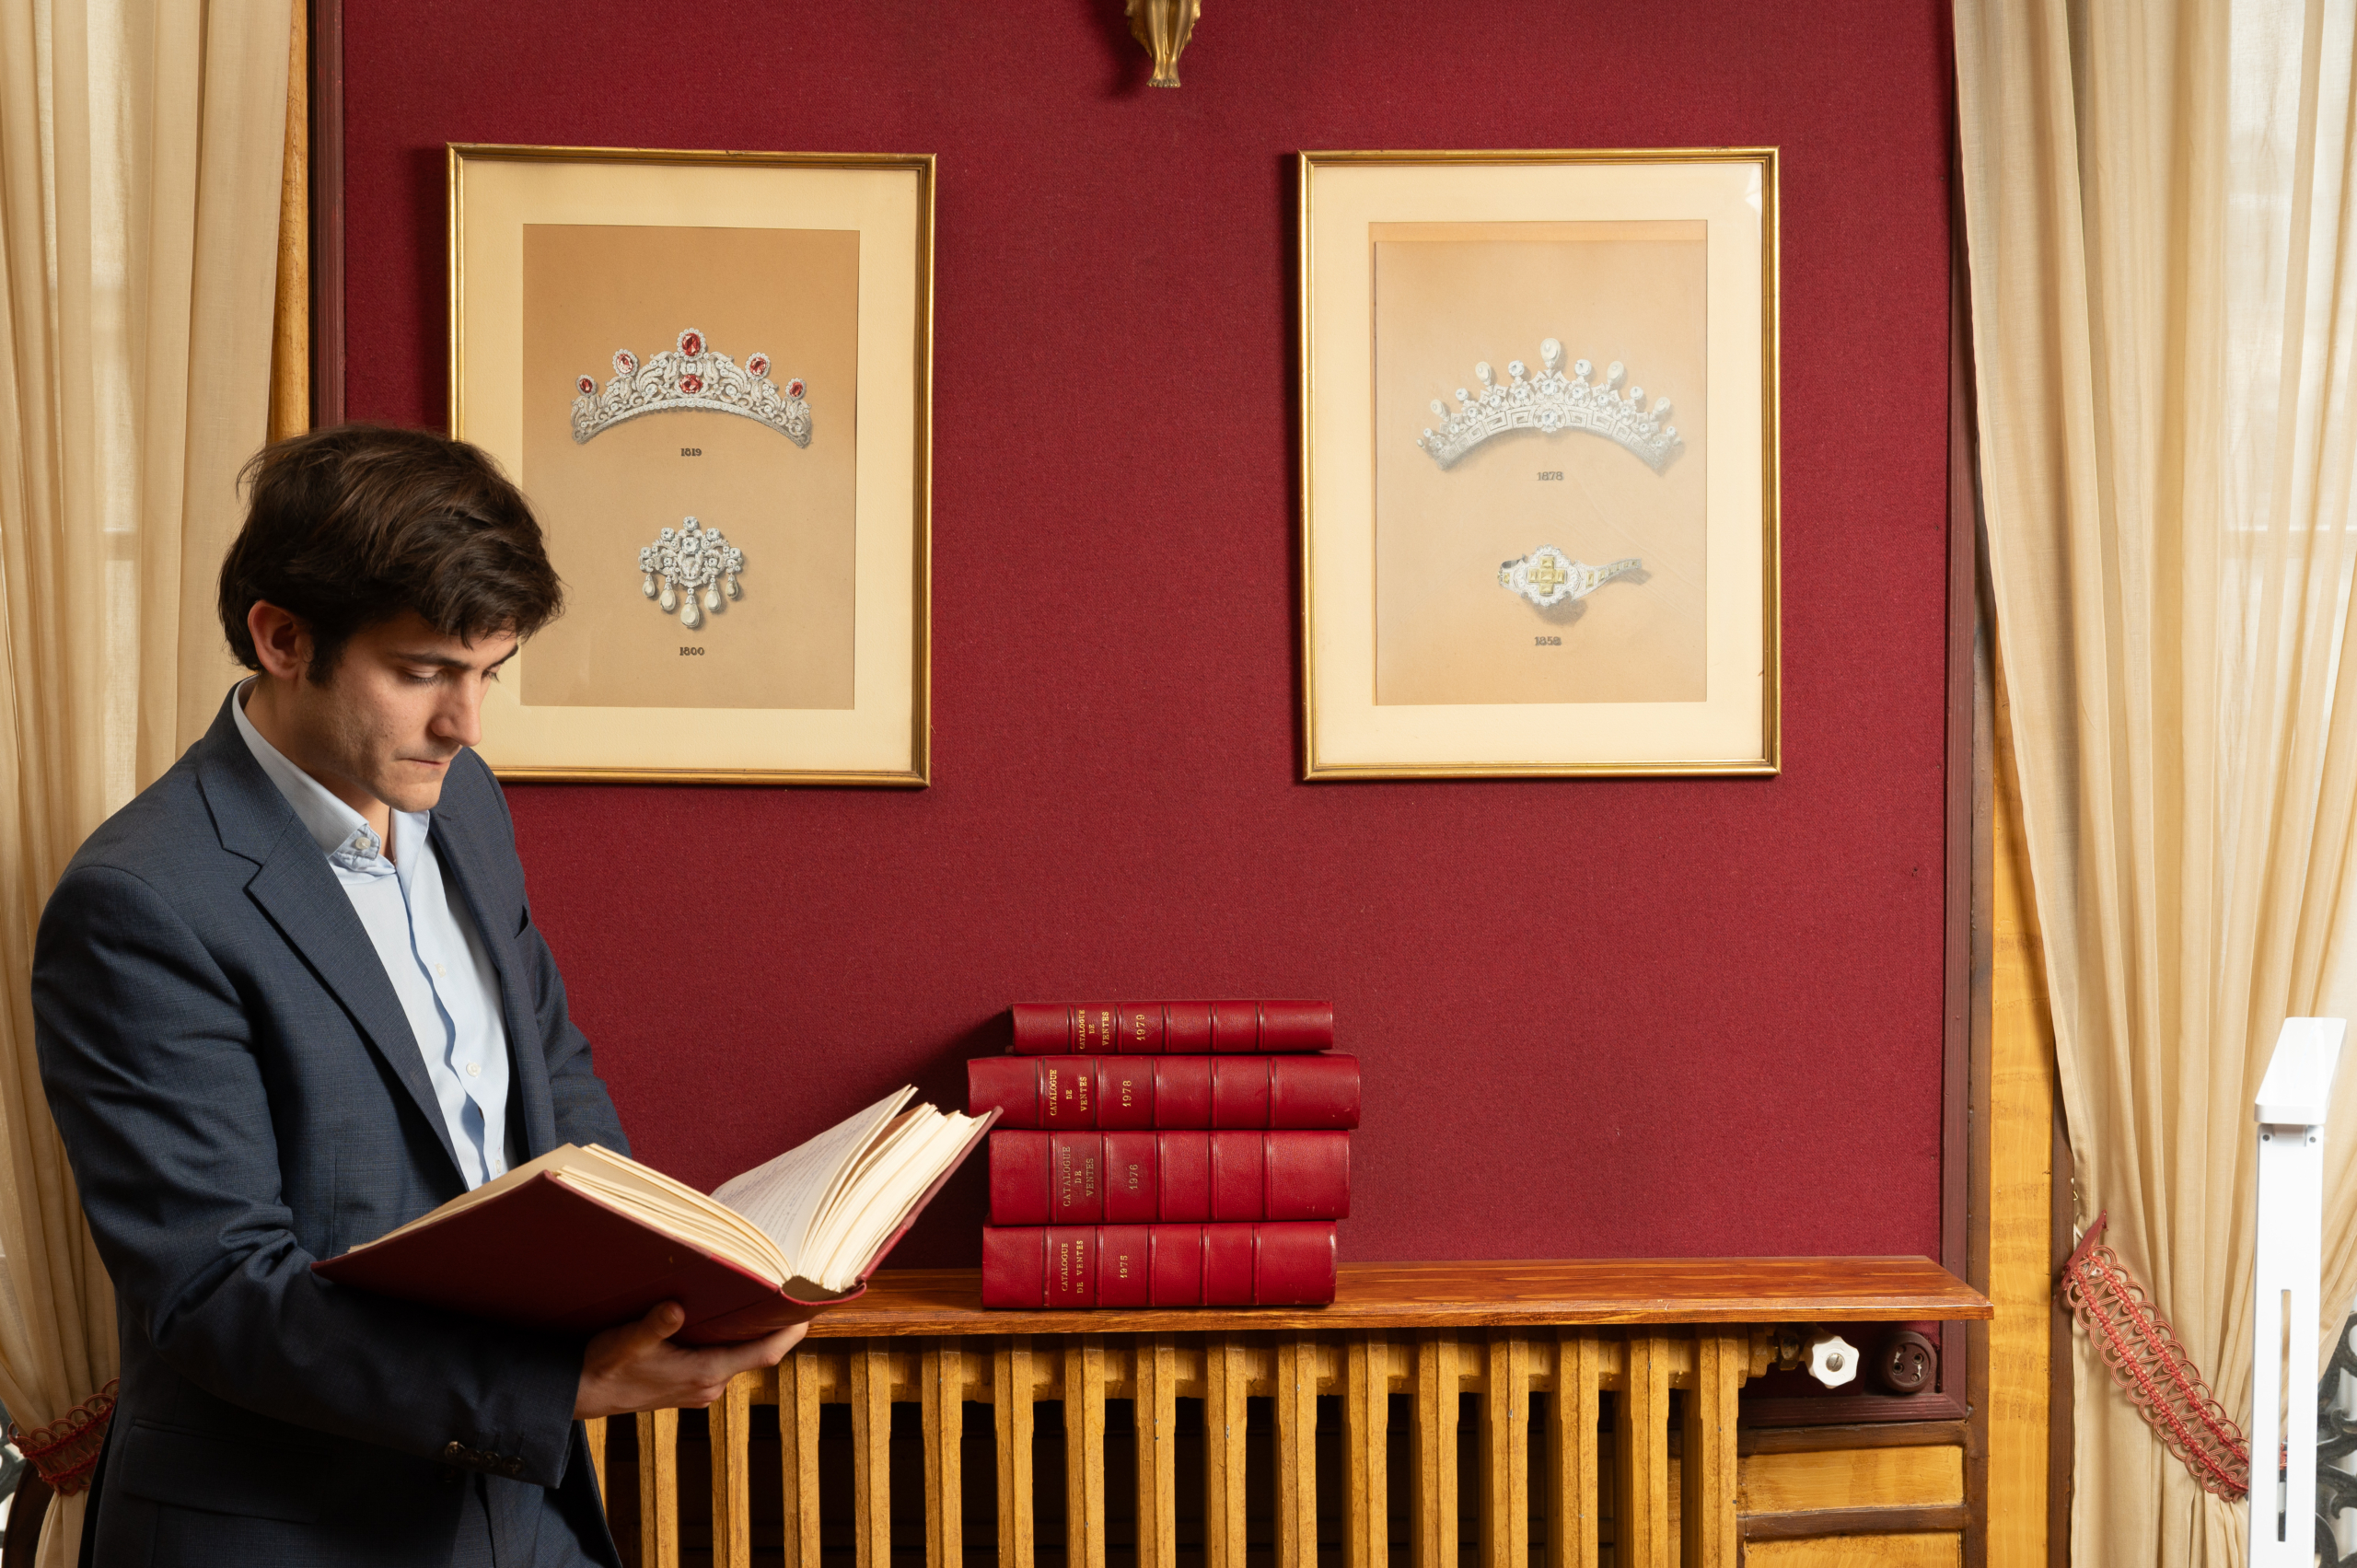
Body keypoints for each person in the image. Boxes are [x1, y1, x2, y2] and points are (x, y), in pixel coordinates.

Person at [32, 425, 801, 1566]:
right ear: (282, 637)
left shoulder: (463, 800)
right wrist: (554, 1385)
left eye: (489, 671)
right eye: (425, 671)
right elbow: (216, 1290)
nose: (466, 723)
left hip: (527, 1516)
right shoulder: (140, 900)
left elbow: (549, 1069)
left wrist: (669, 1273)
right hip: (291, 1530)